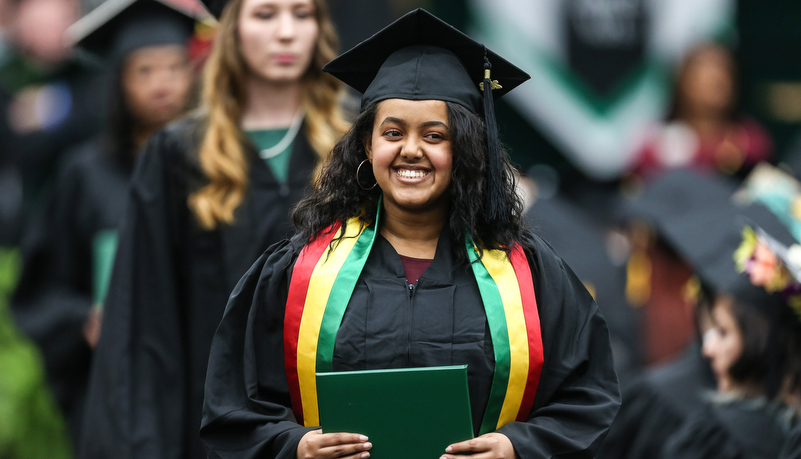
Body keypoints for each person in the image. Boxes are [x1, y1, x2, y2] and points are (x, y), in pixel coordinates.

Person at [201, 9, 620, 459]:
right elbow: (234, 410)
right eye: (393, 132)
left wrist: (517, 447)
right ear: (367, 145)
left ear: (464, 148)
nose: (411, 150)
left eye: (434, 135)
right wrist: (296, 445)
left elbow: (589, 400)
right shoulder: (300, 270)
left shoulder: (527, 274)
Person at [80, 0, 347, 457]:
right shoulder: (178, 154)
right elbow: (145, 323)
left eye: (302, 14)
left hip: (335, 424)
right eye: (265, 15)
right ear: (232, 29)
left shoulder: (359, 141)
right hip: (207, 430)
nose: (286, 33)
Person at [10, 0, 196, 448]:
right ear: (120, 80)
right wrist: (84, 321)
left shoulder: (219, 168)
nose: (162, 84)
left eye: (174, 68)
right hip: (119, 391)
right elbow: (42, 285)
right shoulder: (85, 174)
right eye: (145, 71)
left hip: (201, 380)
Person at [631, 43, 772, 181]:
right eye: (705, 76)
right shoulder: (656, 144)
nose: (717, 79)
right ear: (682, 82)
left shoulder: (750, 142)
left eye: (724, 73)